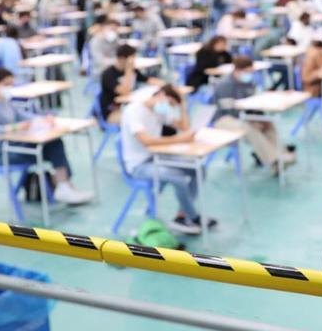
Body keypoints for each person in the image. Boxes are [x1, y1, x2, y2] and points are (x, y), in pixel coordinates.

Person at [0, 68, 92, 204]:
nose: (9, 88)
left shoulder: (7, 102)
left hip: (14, 144)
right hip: (1, 151)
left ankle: (65, 186)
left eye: (11, 84)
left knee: (54, 143)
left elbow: (26, 116)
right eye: (6, 84)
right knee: (51, 149)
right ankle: (64, 186)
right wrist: (15, 127)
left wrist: (44, 119)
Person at [120, 84, 217, 235]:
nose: (169, 107)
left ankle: (182, 216)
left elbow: (185, 127)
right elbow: (147, 141)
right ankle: (193, 216)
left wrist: (181, 106)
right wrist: (178, 139)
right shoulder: (133, 111)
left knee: (198, 170)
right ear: (159, 95)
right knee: (177, 177)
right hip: (138, 165)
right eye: (169, 103)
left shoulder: (159, 109)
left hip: (157, 156)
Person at [211, 56, 294, 173]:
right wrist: (251, 121)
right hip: (225, 119)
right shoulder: (224, 84)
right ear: (237, 70)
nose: (250, 74)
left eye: (251, 72)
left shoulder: (249, 83)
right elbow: (229, 109)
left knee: (268, 124)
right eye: (247, 72)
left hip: (245, 117)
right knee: (249, 128)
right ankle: (274, 160)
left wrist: (261, 118)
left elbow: (255, 103)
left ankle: (283, 154)